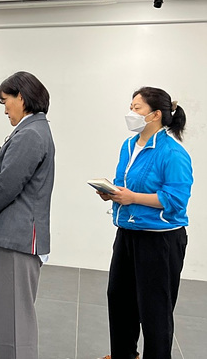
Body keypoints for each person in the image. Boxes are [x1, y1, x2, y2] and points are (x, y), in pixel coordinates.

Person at [97, 87, 192, 359]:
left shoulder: (172, 153)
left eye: (137, 108)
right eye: (131, 107)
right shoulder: (128, 146)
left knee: (155, 311)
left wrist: (133, 198)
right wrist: (112, 193)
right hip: (128, 234)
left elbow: (176, 199)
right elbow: (125, 185)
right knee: (119, 300)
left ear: (156, 114)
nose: (131, 113)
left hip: (160, 240)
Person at [0, 71, 55, 359]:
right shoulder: (32, 129)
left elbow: (8, 183)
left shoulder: (31, 134)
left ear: (21, 97)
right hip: (15, 236)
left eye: (6, 100)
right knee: (12, 317)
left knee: (15, 320)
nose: (5, 108)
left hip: (17, 238)